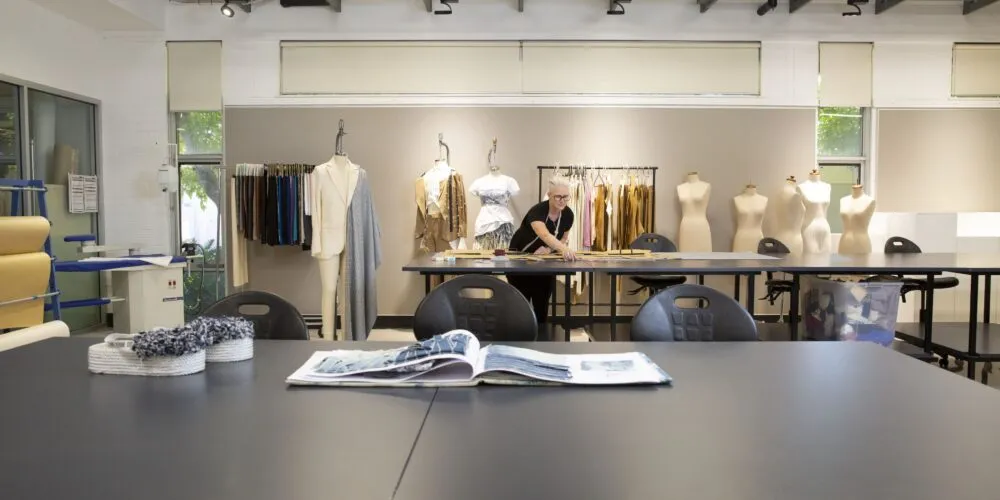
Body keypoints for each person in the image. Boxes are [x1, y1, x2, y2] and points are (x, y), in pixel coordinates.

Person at [507, 176, 577, 330]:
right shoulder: (537, 211)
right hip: (519, 260)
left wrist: (550, 250)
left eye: (566, 197)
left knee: (542, 303)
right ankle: (521, 338)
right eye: (558, 196)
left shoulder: (568, 215)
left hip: (544, 264)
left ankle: (541, 341)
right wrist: (563, 250)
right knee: (521, 305)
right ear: (549, 195)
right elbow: (544, 234)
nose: (562, 200)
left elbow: (564, 237)